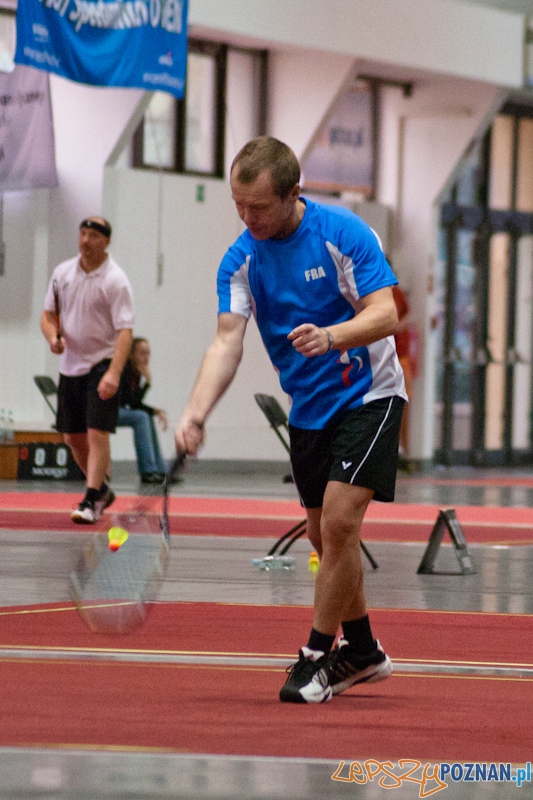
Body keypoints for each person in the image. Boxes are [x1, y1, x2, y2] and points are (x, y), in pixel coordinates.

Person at [175, 136, 407, 704]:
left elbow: (386, 312)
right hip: (310, 409)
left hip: (370, 396)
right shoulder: (242, 259)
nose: (246, 217)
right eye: (238, 205)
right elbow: (227, 340)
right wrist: (196, 410)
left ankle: (313, 659)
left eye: (258, 207)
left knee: (339, 522)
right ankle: (364, 651)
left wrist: (332, 337)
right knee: (322, 536)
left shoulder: (343, 234)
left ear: (292, 195)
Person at [40, 217, 135, 524]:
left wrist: (114, 373)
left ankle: (91, 499)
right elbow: (48, 314)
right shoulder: (62, 273)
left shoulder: (115, 280)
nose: (85, 240)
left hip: (102, 362)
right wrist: (53, 337)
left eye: (93, 235)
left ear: (106, 241)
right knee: (72, 437)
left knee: (96, 432)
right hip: (71, 365)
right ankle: (103, 490)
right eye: (82, 233)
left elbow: (125, 331)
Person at [117, 337, 169, 483]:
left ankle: (160, 469)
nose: (146, 358)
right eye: (142, 353)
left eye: (148, 353)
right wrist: (147, 384)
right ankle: (147, 470)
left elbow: (134, 402)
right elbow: (131, 402)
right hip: (107, 412)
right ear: (131, 355)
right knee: (141, 417)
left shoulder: (134, 372)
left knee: (145, 416)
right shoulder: (124, 370)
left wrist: (154, 410)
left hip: (119, 410)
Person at [392, 284, 412, 463]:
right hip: (387, 358)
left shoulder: (396, 292)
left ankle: (403, 448)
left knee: (404, 401)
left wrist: (398, 326)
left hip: (401, 356)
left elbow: (406, 317)